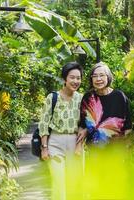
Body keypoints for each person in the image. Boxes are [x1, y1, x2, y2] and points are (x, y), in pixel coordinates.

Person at [38, 62, 84, 200]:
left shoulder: (82, 99)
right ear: (65, 79)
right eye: (72, 77)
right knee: (59, 183)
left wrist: (79, 145)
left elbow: (85, 124)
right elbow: (44, 124)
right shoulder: (52, 98)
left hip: (75, 142)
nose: (75, 81)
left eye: (78, 78)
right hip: (55, 142)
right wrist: (44, 148)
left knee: (74, 182)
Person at [77, 61, 132, 146]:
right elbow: (82, 125)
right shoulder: (88, 98)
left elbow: (128, 126)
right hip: (93, 151)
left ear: (108, 77)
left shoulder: (119, 96)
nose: (98, 79)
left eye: (102, 75)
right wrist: (79, 145)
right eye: (95, 76)